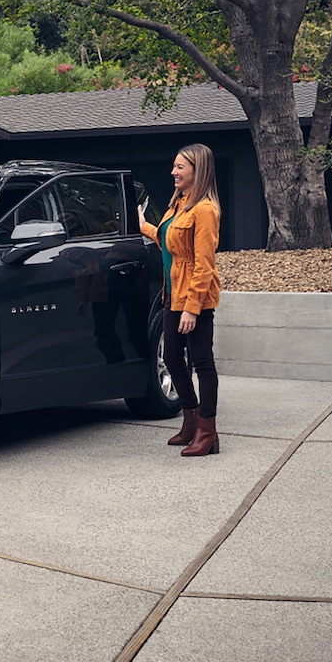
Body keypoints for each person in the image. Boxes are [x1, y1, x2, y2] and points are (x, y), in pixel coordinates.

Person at [140, 143, 223, 456]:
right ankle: (190, 420)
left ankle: (208, 431)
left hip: (195, 299)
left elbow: (204, 264)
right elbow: (170, 242)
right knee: (173, 358)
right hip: (172, 294)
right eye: (174, 166)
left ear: (197, 171)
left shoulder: (206, 210)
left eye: (180, 167)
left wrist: (192, 308)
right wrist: (145, 227)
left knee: (202, 362)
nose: (173, 172)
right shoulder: (179, 204)